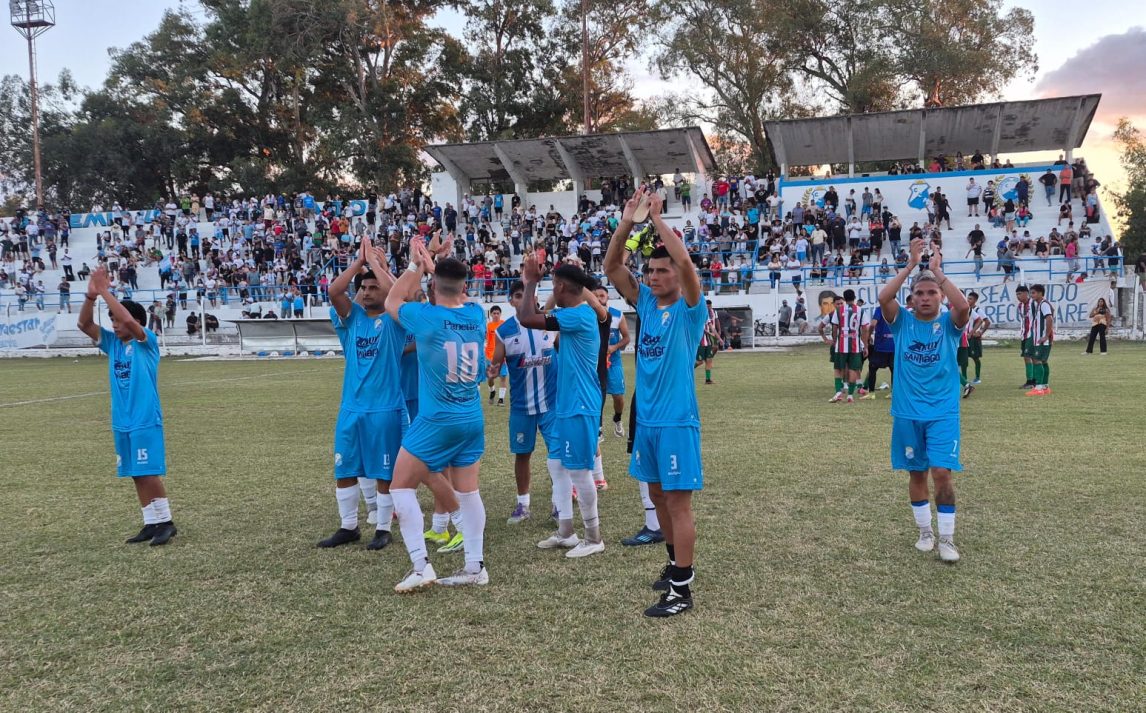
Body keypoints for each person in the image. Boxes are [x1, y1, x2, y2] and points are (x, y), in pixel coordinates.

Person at [605, 187, 706, 618]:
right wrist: (629, 220)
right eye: (650, 270)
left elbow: (685, 262)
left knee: (678, 502)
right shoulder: (646, 303)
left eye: (662, 271)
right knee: (658, 495)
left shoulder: (690, 308)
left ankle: (682, 590)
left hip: (677, 421)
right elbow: (612, 266)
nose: (654, 276)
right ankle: (674, 564)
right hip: (647, 421)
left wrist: (658, 220)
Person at [384, 240, 488, 591]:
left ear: (431, 286)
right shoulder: (476, 314)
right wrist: (435, 266)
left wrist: (416, 266)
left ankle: (420, 565)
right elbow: (449, 294)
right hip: (471, 416)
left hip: (437, 419)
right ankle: (475, 565)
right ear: (466, 286)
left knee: (400, 486)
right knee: (469, 493)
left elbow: (393, 301)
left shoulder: (426, 317)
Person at [877, 238, 970, 563]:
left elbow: (963, 308)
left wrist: (937, 272)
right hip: (907, 413)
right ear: (911, 299)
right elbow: (883, 297)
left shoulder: (948, 325)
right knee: (917, 474)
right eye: (920, 293)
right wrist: (910, 267)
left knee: (942, 472)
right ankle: (925, 533)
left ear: (941, 297)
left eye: (932, 293)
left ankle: (947, 539)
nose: (926, 297)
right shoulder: (902, 322)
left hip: (943, 412)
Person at [516, 256, 609, 559]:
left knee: (580, 473)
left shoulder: (579, 316)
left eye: (553, 284)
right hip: (569, 402)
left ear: (560, 286)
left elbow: (528, 318)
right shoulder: (577, 312)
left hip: (580, 404)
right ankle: (566, 532)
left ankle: (594, 537)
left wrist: (530, 280)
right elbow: (539, 312)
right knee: (558, 465)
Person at [77, 267, 177, 546]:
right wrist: (91, 295)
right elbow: (84, 325)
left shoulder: (147, 342)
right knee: (135, 471)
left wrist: (106, 291)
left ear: (136, 321)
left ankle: (166, 521)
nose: (114, 324)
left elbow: (128, 322)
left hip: (144, 417)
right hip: (122, 419)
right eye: (110, 320)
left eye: (117, 319)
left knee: (148, 470)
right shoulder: (112, 344)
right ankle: (150, 522)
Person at [317, 237, 405, 551]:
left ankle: (383, 528)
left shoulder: (395, 321)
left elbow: (402, 293)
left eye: (372, 288)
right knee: (345, 467)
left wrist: (379, 266)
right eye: (363, 288)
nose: (366, 292)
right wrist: (360, 261)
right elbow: (333, 291)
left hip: (385, 409)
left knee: (383, 472)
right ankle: (348, 526)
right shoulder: (352, 319)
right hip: (351, 408)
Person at [488, 280, 559, 525]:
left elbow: (565, 353)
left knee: (557, 455)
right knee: (522, 455)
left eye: (527, 295)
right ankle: (523, 504)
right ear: (511, 300)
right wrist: (492, 371)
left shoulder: (550, 323)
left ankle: (559, 503)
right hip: (521, 407)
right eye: (518, 296)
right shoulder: (504, 331)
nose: (523, 299)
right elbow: (496, 365)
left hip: (551, 405)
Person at [597, 285, 631, 437]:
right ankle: (598, 428)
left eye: (601, 296)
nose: (598, 299)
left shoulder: (617, 315)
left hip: (614, 361)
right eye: (595, 296)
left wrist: (614, 347)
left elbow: (627, 338)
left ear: (607, 297)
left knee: (618, 396)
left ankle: (617, 419)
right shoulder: (588, 316)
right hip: (596, 363)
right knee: (596, 396)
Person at [830, 289, 868, 404]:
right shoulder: (860, 311)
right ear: (854, 297)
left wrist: (834, 340)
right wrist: (865, 345)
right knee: (853, 369)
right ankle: (850, 395)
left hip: (841, 343)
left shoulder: (839, 310)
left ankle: (838, 392)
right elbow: (865, 329)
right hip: (855, 345)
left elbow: (835, 327)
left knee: (838, 368)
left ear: (844, 299)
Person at [860, 302, 894, 399]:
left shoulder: (880, 309)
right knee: (894, 369)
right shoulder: (897, 310)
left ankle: (871, 393)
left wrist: (869, 335)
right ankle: (893, 393)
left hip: (881, 344)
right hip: (894, 344)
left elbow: (872, 325)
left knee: (872, 367)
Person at [1026, 284, 1055, 396]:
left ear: (1040, 293)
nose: (1031, 295)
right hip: (1038, 337)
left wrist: (1046, 336)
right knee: (1043, 361)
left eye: (1033, 293)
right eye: (1031, 293)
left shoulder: (1043, 304)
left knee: (1036, 360)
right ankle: (1045, 386)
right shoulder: (1037, 304)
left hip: (1042, 338)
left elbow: (1049, 319)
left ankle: (1038, 388)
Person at [485, 305, 507, 406]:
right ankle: (492, 391)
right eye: (494, 313)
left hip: (503, 355)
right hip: (490, 355)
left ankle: (501, 399)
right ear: (491, 314)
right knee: (490, 378)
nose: (496, 315)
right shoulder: (488, 326)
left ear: (500, 314)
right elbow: (485, 339)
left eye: (498, 313)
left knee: (503, 377)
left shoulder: (504, 324)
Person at [966, 292, 989, 385]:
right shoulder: (966, 309)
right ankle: (964, 377)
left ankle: (977, 377)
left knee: (975, 357)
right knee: (964, 358)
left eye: (970, 299)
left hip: (974, 338)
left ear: (975, 300)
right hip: (966, 336)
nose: (968, 300)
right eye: (967, 298)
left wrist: (980, 332)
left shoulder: (978, 310)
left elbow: (987, 322)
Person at [695, 300, 721, 384]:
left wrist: (719, 338)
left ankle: (708, 380)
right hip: (700, 342)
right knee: (699, 362)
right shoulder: (698, 316)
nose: (707, 308)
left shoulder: (708, 316)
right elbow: (700, 329)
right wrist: (710, 333)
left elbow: (712, 328)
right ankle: (686, 371)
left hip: (708, 341)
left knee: (709, 360)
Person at [1016, 285, 1036, 389]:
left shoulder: (1033, 303)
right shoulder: (1020, 306)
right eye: (1017, 294)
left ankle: (1033, 381)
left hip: (1032, 334)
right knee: (1026, 357)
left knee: (1031, 357)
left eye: (1020, 294)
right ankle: (1030, 380)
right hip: (1024, 334)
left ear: (1026, 293)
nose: (1018, 296)